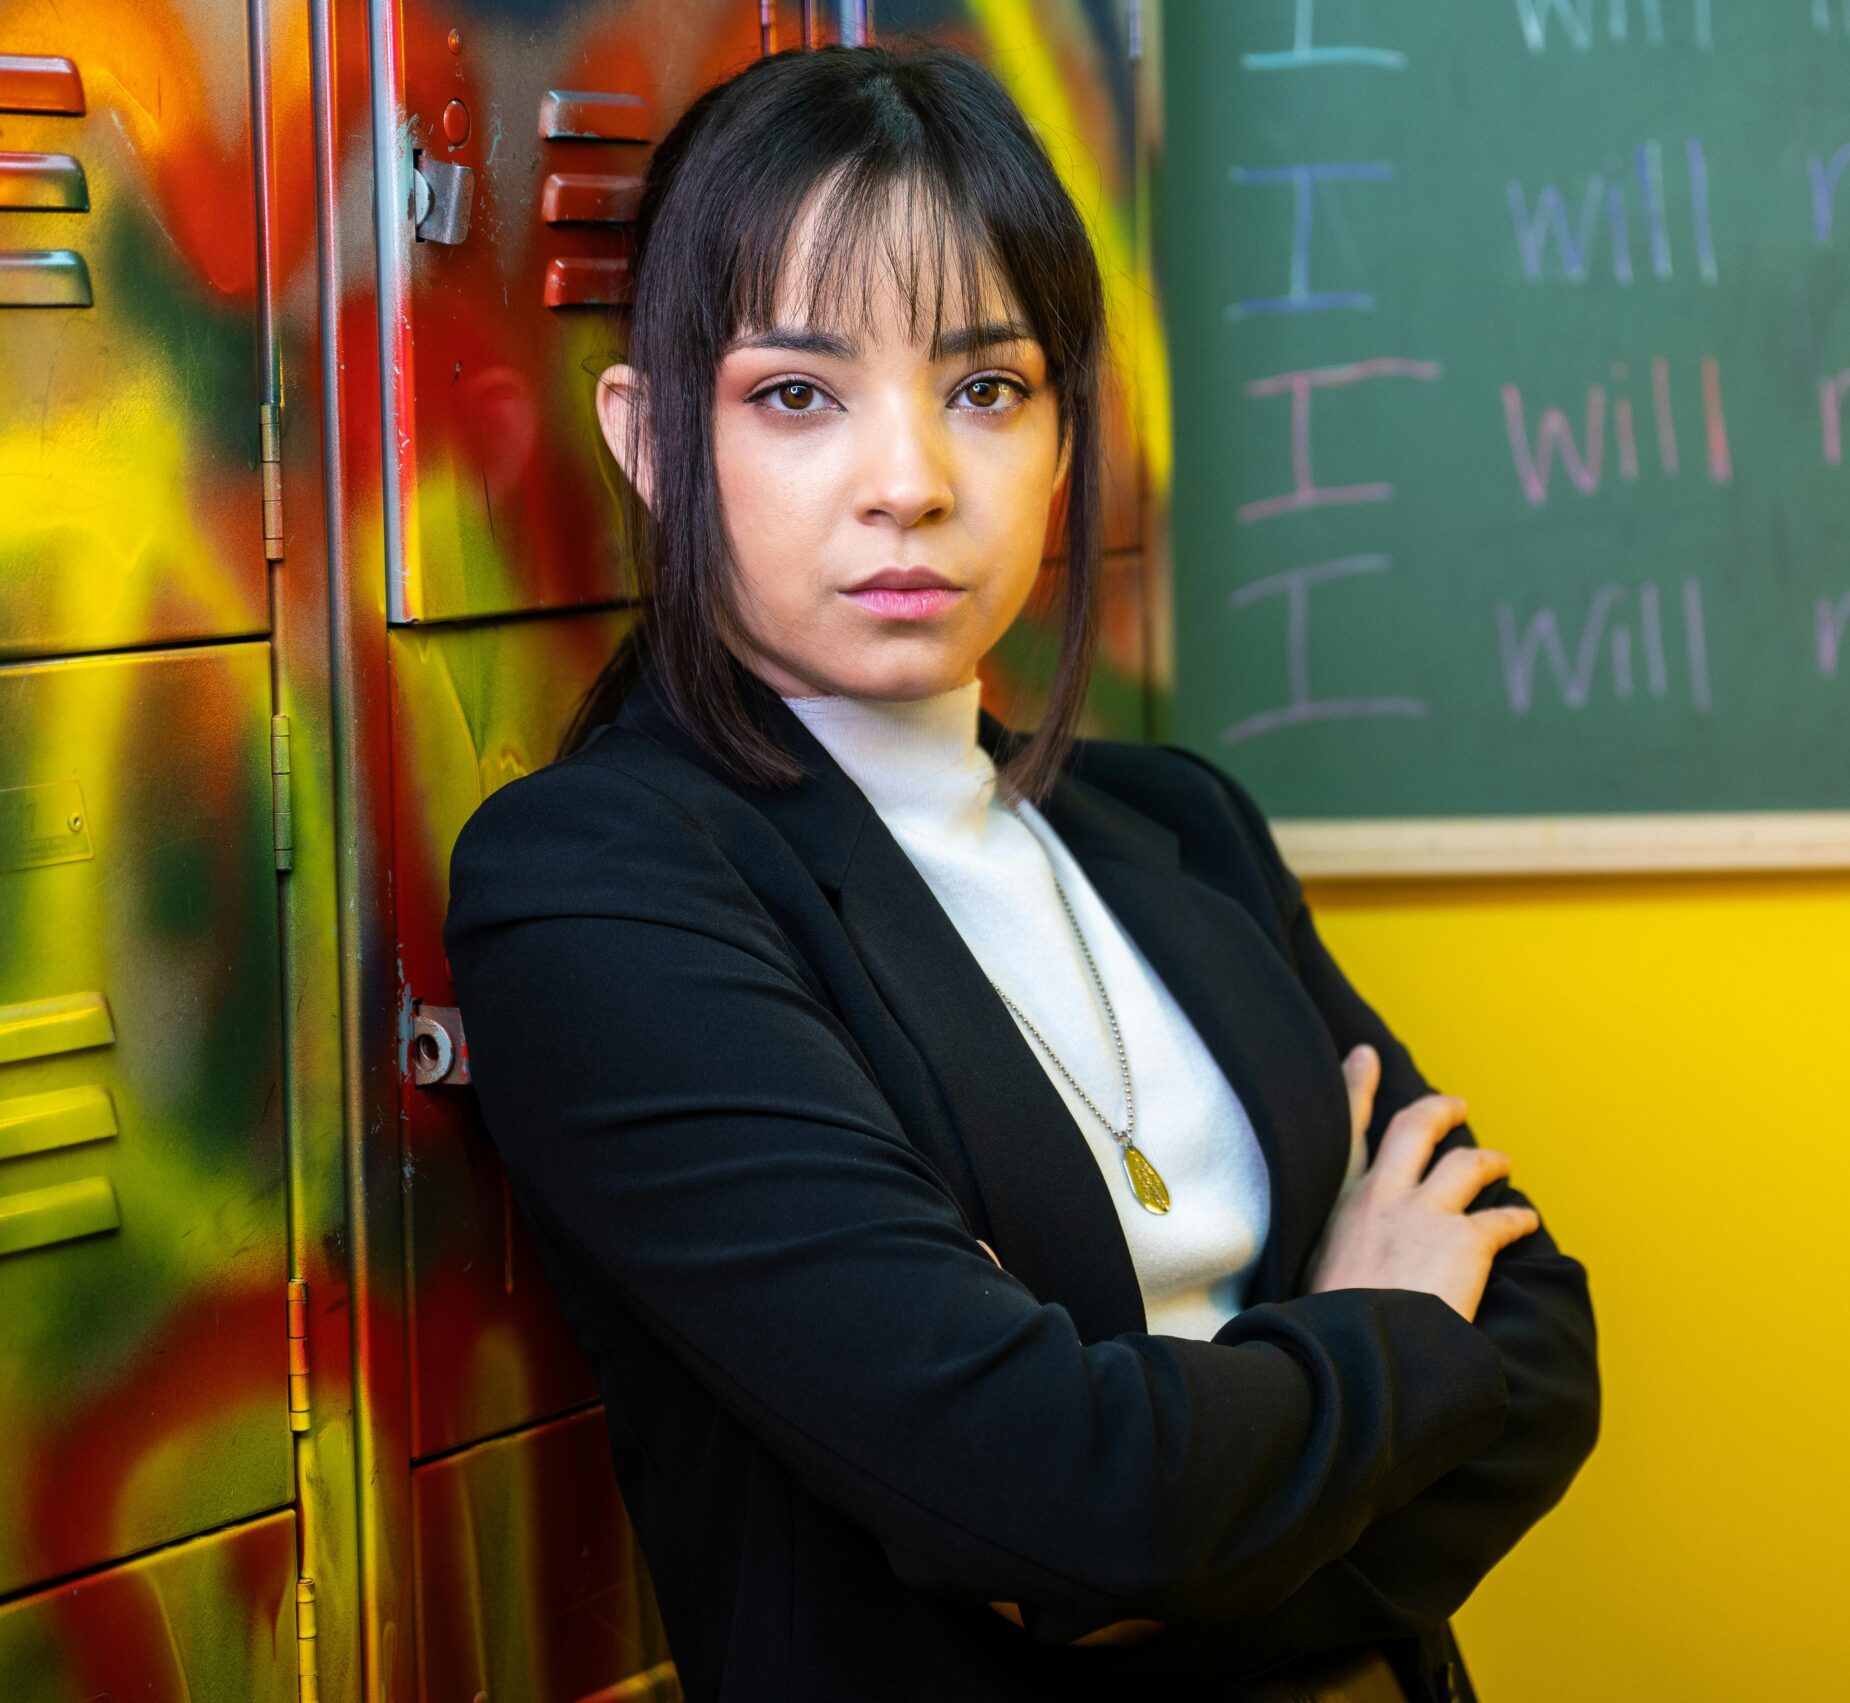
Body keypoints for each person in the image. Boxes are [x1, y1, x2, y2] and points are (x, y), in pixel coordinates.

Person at [442, 41, 1599, 1703]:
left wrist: (1150, 1563)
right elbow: (1066, 1497)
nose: (909, 480)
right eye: (797, 394)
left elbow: (1545, 1356)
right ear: (649, 437)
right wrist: (1389, 1331)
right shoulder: (603, 888)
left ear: (1063, 438)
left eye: (986, 389)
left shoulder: (1180, 826)